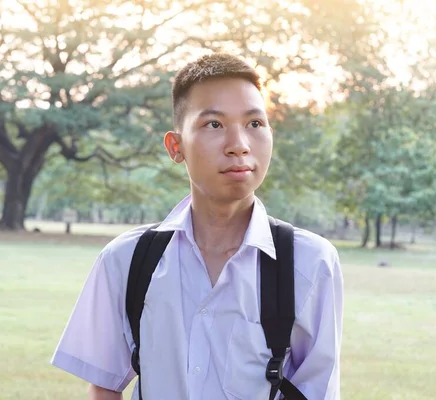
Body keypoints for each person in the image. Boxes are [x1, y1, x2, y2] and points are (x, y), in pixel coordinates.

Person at [51, 53, 344, 400]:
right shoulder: (127, 261)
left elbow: (317, 393)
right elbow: (104, 387)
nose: (239, 145)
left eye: (255, 124)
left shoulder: (309, 263)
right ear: (176, 147)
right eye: (214, 125)